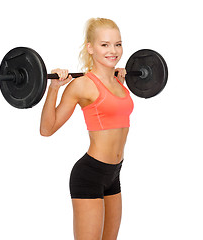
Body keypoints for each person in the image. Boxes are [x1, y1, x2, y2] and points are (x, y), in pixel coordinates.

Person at [40, 18, 134, 240]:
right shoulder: (82, 84)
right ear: (90, 48)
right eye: (105, 45)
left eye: (118, 44)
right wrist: (53, 89)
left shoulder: (119, 80)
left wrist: (121, 77)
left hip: (114, 173)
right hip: (90, 174)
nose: (113, 50)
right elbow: (47, 128)